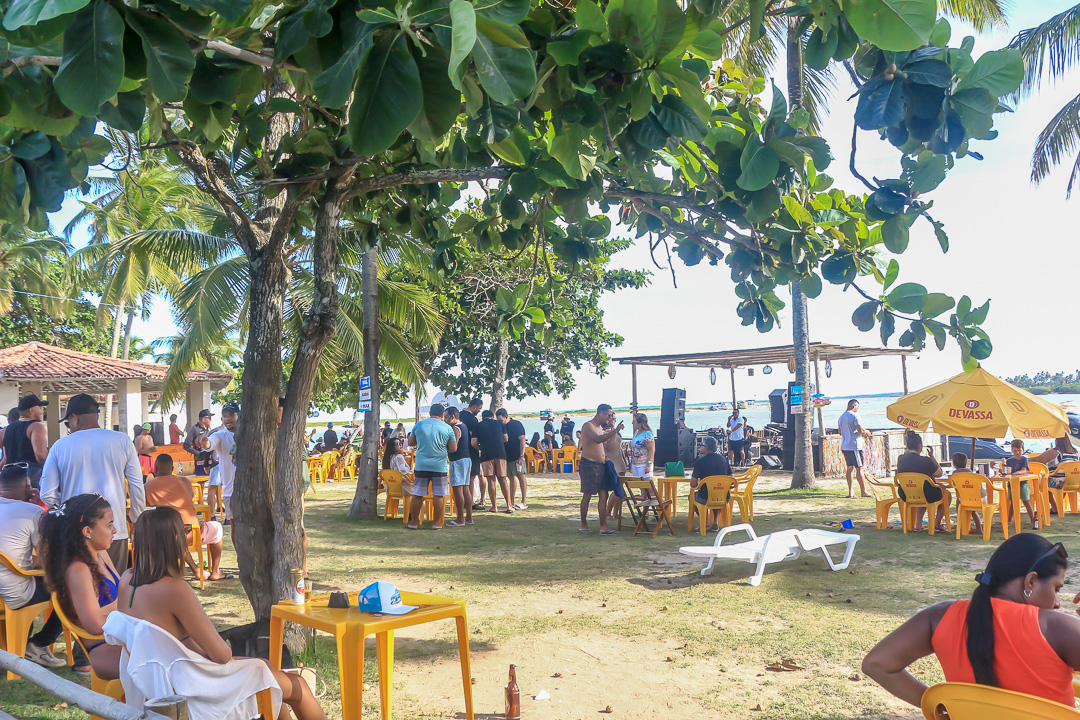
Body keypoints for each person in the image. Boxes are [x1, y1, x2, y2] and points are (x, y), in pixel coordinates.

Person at [116, 508, 328, 720]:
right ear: (172, 540)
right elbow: (221, 655)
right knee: (298, 686)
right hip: (196, 686)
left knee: (266, 670)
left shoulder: (127, 580)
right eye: (185, 530)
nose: (188, 536)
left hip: (166, 680)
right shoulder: (174, 589)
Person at [862, 534, 1080, 708]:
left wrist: (940, 706)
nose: (1057, 603)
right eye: (1056, 589)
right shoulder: (1056, 628)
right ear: (1031, 581)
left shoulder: (938, 617)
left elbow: (877, 664)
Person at [40, 394, 143, 573]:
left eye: (67, 423)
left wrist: (68, 511)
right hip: (114, 528)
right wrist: (136, 519)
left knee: (81, 588)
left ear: (74, 418)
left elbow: (46, 494)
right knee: (113, 587)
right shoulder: (123, 441)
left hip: (75, 528)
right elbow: (136, 486)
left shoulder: (60, 446)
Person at [40, 493, 122, 678]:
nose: (115, 530)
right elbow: (95, 625)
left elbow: (123, 595)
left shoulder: (100, 554)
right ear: (87, 531)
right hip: (105, 648)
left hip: (121, 639)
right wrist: (133, 608)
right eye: (109, 524)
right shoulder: (78, 569)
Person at [0, 464, 65, 667]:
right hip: (15, 594)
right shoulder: (32, 511)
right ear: (28, 487)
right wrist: (38, 506)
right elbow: (49, 555)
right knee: (71, 589)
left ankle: (18, 646)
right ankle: (38, 644)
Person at [144, 454, 228, 581]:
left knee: (174, 533)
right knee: (217, 528)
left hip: (162, 535)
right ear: (172, 468)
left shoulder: (147, 487)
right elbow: (189, 498)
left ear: (155, 469)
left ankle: (195, 568)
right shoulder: (184, 481)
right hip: (191, 532)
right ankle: (215, 571)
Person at [407, 403, 457, 530]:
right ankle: (436, 523)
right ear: (442, 414)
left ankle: (413, 522)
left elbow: (411, 443)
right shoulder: (447, 428)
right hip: (439, 466)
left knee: (417, 494)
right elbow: (453, 448)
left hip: (421, 464)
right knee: (439, 495)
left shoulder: (419, 425)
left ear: (430, 413)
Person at [578, 404, 623, 535]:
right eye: (609, 415)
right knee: (588, 495)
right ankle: (583, 524)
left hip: (602, 465)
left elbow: (604, 445)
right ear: (601, 414)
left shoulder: (599, 428)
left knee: (603, 495)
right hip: (589, 465)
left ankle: (604, 526)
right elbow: (597, 440)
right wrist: (614, 431)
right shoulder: (588, 426)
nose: (610, 418)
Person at [895, 432, 950, 533]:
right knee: (947, 494)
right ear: (920, 446)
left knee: (921, 490)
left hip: (906, 493)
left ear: (907, 446)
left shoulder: (900, 459)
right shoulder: (926, 460)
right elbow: (939, 473)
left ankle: (918, 525)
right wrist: (932, 456)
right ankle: (936, 523)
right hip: (927, 493)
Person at [197, 403, 237, 524]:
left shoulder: (249, 433)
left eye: (231, 415)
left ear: (239, 416)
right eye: (224, 416)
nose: (228, 419)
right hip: (231, 491)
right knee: (235, 525)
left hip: (251, 489)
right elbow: (210, 443)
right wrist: (205, 443)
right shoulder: (220, 435)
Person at [689, 436, 733, 532]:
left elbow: (693, 484)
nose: (699, 447)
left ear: (706, 448)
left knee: (691, 497)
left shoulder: (700, 462)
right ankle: (715, 522)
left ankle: (704, 521)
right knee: (716, 493)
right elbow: (731, 479)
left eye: (701, 445)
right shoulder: (724, 460)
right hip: (724, 496)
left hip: (705, 497)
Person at [473, 410, 512, 513]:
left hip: (487, 455)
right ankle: (509, 505)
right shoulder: (499, 424)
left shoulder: (478, 426)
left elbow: (473, 443)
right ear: (492, 416)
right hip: (500, 453)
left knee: (491, 480)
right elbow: (506, 438)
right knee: (502, 479)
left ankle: (494, 506)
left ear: (483, 417)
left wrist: (481, 448)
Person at [0, 393, 49, 472]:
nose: (42, 411)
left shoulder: (5, 430)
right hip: (29, 477)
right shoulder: (37, 427)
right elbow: (41, 456)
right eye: (40, 408)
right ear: (31, 411)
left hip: (8, 477)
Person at [445, 407, 473, 526]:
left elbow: (453, 447)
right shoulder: (464, 426)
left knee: (457, 490)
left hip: (458, 460)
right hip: (467, 459)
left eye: (446, 417)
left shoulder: (455, 428)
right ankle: (469, 518)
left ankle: (460, 519)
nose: (444, 420)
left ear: (452, 417)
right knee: (466, 489)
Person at [838, 399, 872, 498]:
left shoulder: (841, 417)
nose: (857, 409)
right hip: (855, 445)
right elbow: (860, 430)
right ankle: (863, 491)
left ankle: (850, 491)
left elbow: (840, 432)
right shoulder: (854, 416)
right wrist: (867, 432)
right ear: (854, 405)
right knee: (859, 468)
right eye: (857, 407)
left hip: (845, 445)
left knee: (850, 468)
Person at [1002, 438, 1037, 528]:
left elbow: (1024, 470)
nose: (1017, 452)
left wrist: (1016, 473)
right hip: (1012, 484)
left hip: (1022, 484)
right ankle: (1009, 520)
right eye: (1015, 450)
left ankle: (1033, 520)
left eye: (1019, 450)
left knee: (1026, 502)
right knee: (1013, 502)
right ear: (1012, 450)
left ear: (1023, 450)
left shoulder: (1024, 459)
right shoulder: (1009, 460)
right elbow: (1005, 471)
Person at [498, 409, 528, 510]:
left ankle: (524, 501)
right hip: (506, 456)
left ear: (506, 417)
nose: (500, 423)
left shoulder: (516, 425)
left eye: (501, 420)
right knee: (510, 477)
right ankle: (511, 501)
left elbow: (522, 440)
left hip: (517, 455)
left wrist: (521, 455)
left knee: (521, 476)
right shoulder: (501, 426)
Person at [460, 399, 485, 510]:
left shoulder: (459, 415)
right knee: (471, 477)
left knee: (461, 478)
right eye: (479, 408)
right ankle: (470, 502)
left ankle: (462, 500)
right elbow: (474, 438)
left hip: (459, 450)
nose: (479, 411)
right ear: (475, 406)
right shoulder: (472, 420)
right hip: (471, 451)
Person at [628, 413, 655, 480]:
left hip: (644, 463)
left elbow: (651, 450)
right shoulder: (636, 433)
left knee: (648, 486)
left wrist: (648, 465)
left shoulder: (647, 434)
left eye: (634, 421)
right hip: (635, 463)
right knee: (640, 486)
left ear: (640, 423)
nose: (632, 423)